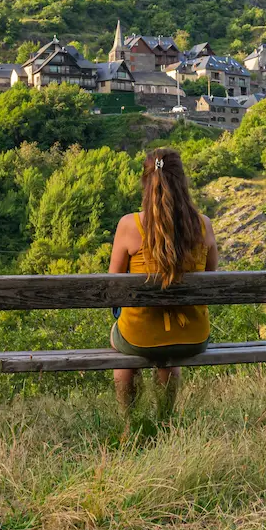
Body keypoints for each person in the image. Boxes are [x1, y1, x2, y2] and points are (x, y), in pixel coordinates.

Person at [108, 147, 218, 416]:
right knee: (168, 349)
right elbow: (213, 280)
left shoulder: (129, 225)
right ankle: (165, 418)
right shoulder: (203, 225)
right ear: (183, 182)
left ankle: (130, 421)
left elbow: (112, 285)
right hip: (193, 335)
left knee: (124, 343)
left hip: (140, 336)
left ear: (146, 182)